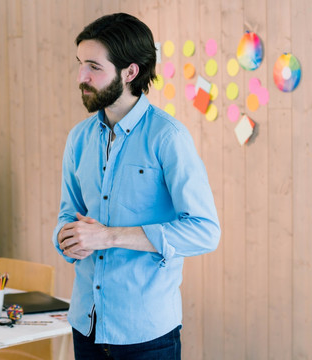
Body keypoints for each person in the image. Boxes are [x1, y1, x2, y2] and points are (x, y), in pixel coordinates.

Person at [53, 13, 220, 360]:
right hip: (86, 325)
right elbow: (68, 216)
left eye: (94, 67)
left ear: (130, 73)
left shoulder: (168, 137)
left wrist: (110, 236)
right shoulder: (78, 139)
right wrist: (65, 239)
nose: (81, 77)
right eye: (80, 64)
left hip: (147, 334)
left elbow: (204, 231)